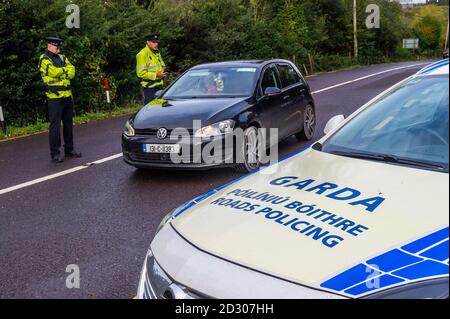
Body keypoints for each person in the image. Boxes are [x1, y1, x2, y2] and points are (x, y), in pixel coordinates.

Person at [38, 36, 81, 163]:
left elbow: (72, 71)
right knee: (55, 126)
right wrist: (64, 71)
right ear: (50, 46)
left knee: (68, 124)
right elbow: (53, 72)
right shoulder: (44, 59)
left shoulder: (63, 57)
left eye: (59, 46)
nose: (59, 48)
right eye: (57, 46)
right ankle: (55, 153)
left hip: (67, 96)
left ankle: (69, 149)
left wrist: (62, 71)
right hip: (54, 97)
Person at [136, 34, 168, 105]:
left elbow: (162, 65)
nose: (156, 44)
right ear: (148, 42)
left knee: (161, 108)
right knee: (151, 109)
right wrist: (156, 74)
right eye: (153, 42)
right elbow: (141, 73)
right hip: (149, 88)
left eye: (157, 42)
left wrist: (164, 70)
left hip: (159, 85)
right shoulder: (142, 54)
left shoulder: (157, 52)